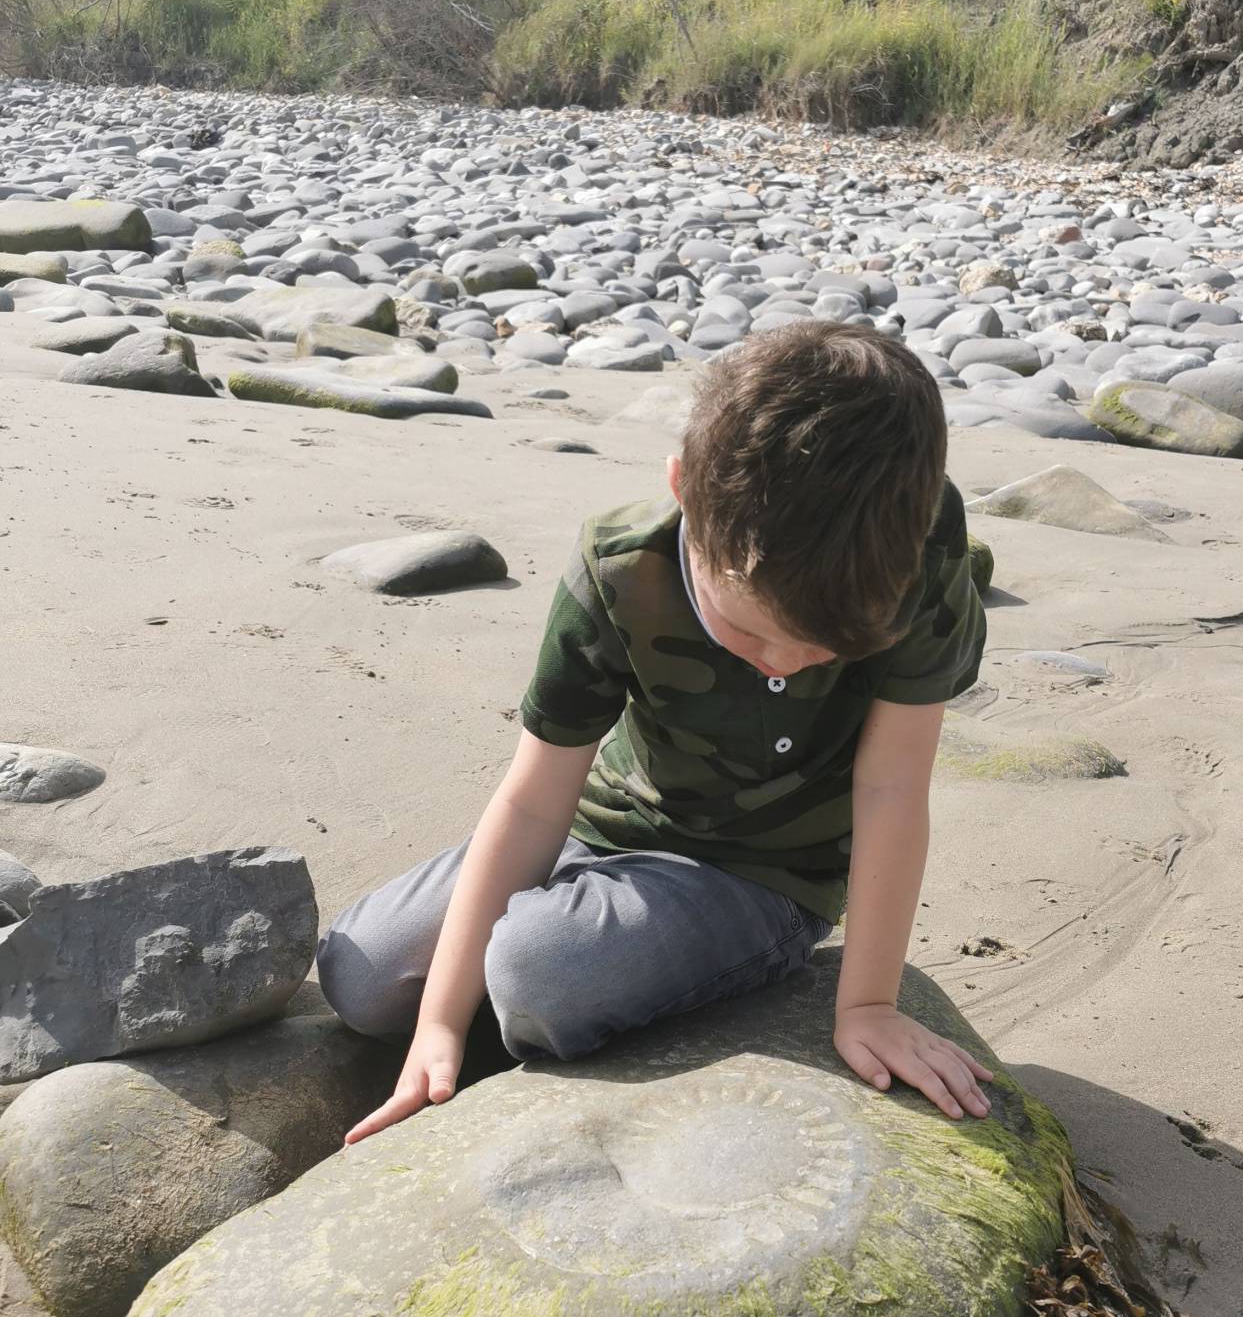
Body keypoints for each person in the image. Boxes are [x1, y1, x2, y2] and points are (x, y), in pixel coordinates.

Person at [320, 319, 993, 1145]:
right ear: (681, 488)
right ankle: (544, 961)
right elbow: (534, 804)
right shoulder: (620, 566)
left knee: (539, 974)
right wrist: (436, 1025)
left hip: (764, 874)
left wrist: (867, 1004)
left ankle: (608, 969)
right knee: (360, 973)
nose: (782, 663)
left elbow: (891, 787)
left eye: (825, 648)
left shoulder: (916, 555)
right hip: (608, 822)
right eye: (749, 633)